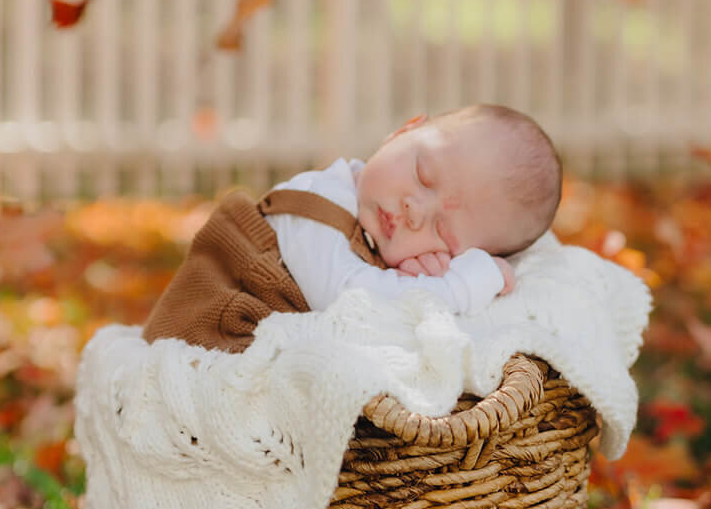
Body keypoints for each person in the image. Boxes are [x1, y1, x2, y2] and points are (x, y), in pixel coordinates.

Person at [141, 104, 563, 350]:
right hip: (197, 342)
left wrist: (421, 274)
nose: (415, 210)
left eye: (443, 235)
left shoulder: (373, 242)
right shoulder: (316, 203)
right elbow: (356, 309)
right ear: (403, 131)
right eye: (423, 173)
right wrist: (460, 286)